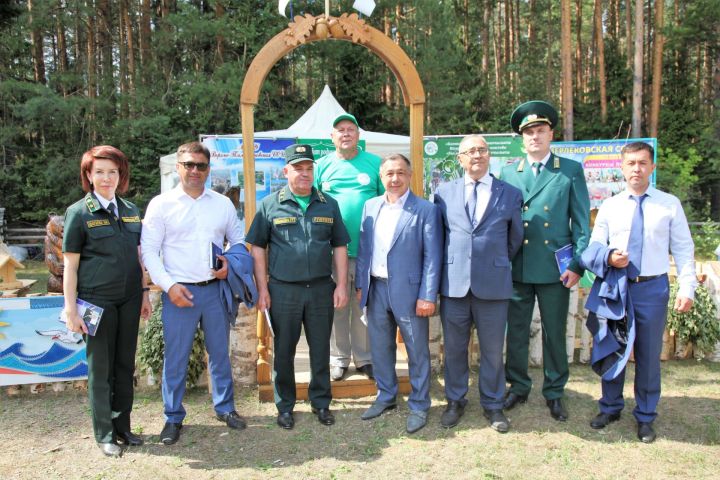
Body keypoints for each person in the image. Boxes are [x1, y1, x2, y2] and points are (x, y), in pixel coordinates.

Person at [581, 141, 696, 443]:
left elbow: (684, 248)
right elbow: (593, 246)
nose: (636, 168)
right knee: (613, 345)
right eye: (631, 163)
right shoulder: (610, 205)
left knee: (647, 354)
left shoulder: (669, 204)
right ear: (622, 167)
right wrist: (608, 257)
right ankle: (610, 407)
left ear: (652, 167)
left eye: (643, 163)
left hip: (652, 288)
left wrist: (688, 287)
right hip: (617, 287)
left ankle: (645, 416)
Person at [141, 141, 247, 445]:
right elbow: (149, 251)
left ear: (208, 169)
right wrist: (168, 286)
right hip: (178, 292)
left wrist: (230, 263)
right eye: (188, 164)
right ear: (178, 167)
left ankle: (225, 408)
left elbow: (237, 241)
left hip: (214, 291)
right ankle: (172, 417)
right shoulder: (161, 205)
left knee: (220, 355)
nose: (195, 171)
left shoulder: (222, 204)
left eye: (201, 165)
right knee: (176, 358)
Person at [247, 144, 350, 430]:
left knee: (320, 348)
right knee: (284, 350)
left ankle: (321, 402)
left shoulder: (328, 203)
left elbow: (340, 245)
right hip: (283, 290)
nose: (304, 174)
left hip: (320, 289)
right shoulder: (270, 204)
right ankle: (285, 405)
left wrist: (341, 284)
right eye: (298, 168)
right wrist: (262, 288)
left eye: (308, 168)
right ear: (286, 171)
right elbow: (257, 247)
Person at [500, 101, 590, 422]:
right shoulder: (509, 172)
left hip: (556, 268)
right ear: (521, 139)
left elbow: (581, 223)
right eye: (528, 132)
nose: (534, 137)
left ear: (551, 133)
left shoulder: (569, 170)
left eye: (540, 130)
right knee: (518, 331)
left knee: (555, 331)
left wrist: (577, 265)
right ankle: (519, 386)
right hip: (518, 265)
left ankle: (554, 391)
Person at [62, 145, 152, 457]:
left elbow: (138, 257)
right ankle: (104, 434)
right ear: (88, 175)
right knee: (100, 368)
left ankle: (123, 427)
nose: (106, 178)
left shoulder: (130, 210)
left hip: (128, 300)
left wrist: (143, 294)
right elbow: (70, 266)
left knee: (125, 365)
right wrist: (70, 308)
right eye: (99, 171)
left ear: (120, 175)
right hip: (95, 303)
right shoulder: (78, 213)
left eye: (112, 172)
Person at [433, 135, 524, 432]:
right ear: (460, 158)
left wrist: (492, 261)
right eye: (470, 151)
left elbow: (515, 239)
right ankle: (455, 400)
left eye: (481, 150)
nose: (476, 155)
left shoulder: (509, 193)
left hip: (493, 285)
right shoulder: (443, 193)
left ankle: (493, 405)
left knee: (492, 350)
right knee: (455, 349)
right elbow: (440, 238)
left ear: (489, 156)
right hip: (454, 285)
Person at [355, 153, 442, 434]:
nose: (395, 178)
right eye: (389, 173)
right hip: (376, 287)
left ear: (410, 175)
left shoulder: (426, 209)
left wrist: (428, 295)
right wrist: (360, 285)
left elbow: (432, 256)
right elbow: (364, 249)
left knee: (417, 350)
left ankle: (419, 404)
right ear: (381, 178)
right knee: (380, 347)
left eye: (400, 173)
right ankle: (386, 395)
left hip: (411, 290)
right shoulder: (370, 206)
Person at [315, 113, 384, 381]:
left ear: (358, 136)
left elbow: (385, 203)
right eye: (340, 130)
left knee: (363, 305)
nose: (345, 134)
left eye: (350, 129)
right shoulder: (321, 167)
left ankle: (364, 358)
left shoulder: (374, 163)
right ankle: (339, 358)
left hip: (368, 251)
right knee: (337, 306)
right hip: (332, 254)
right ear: (332, 137)